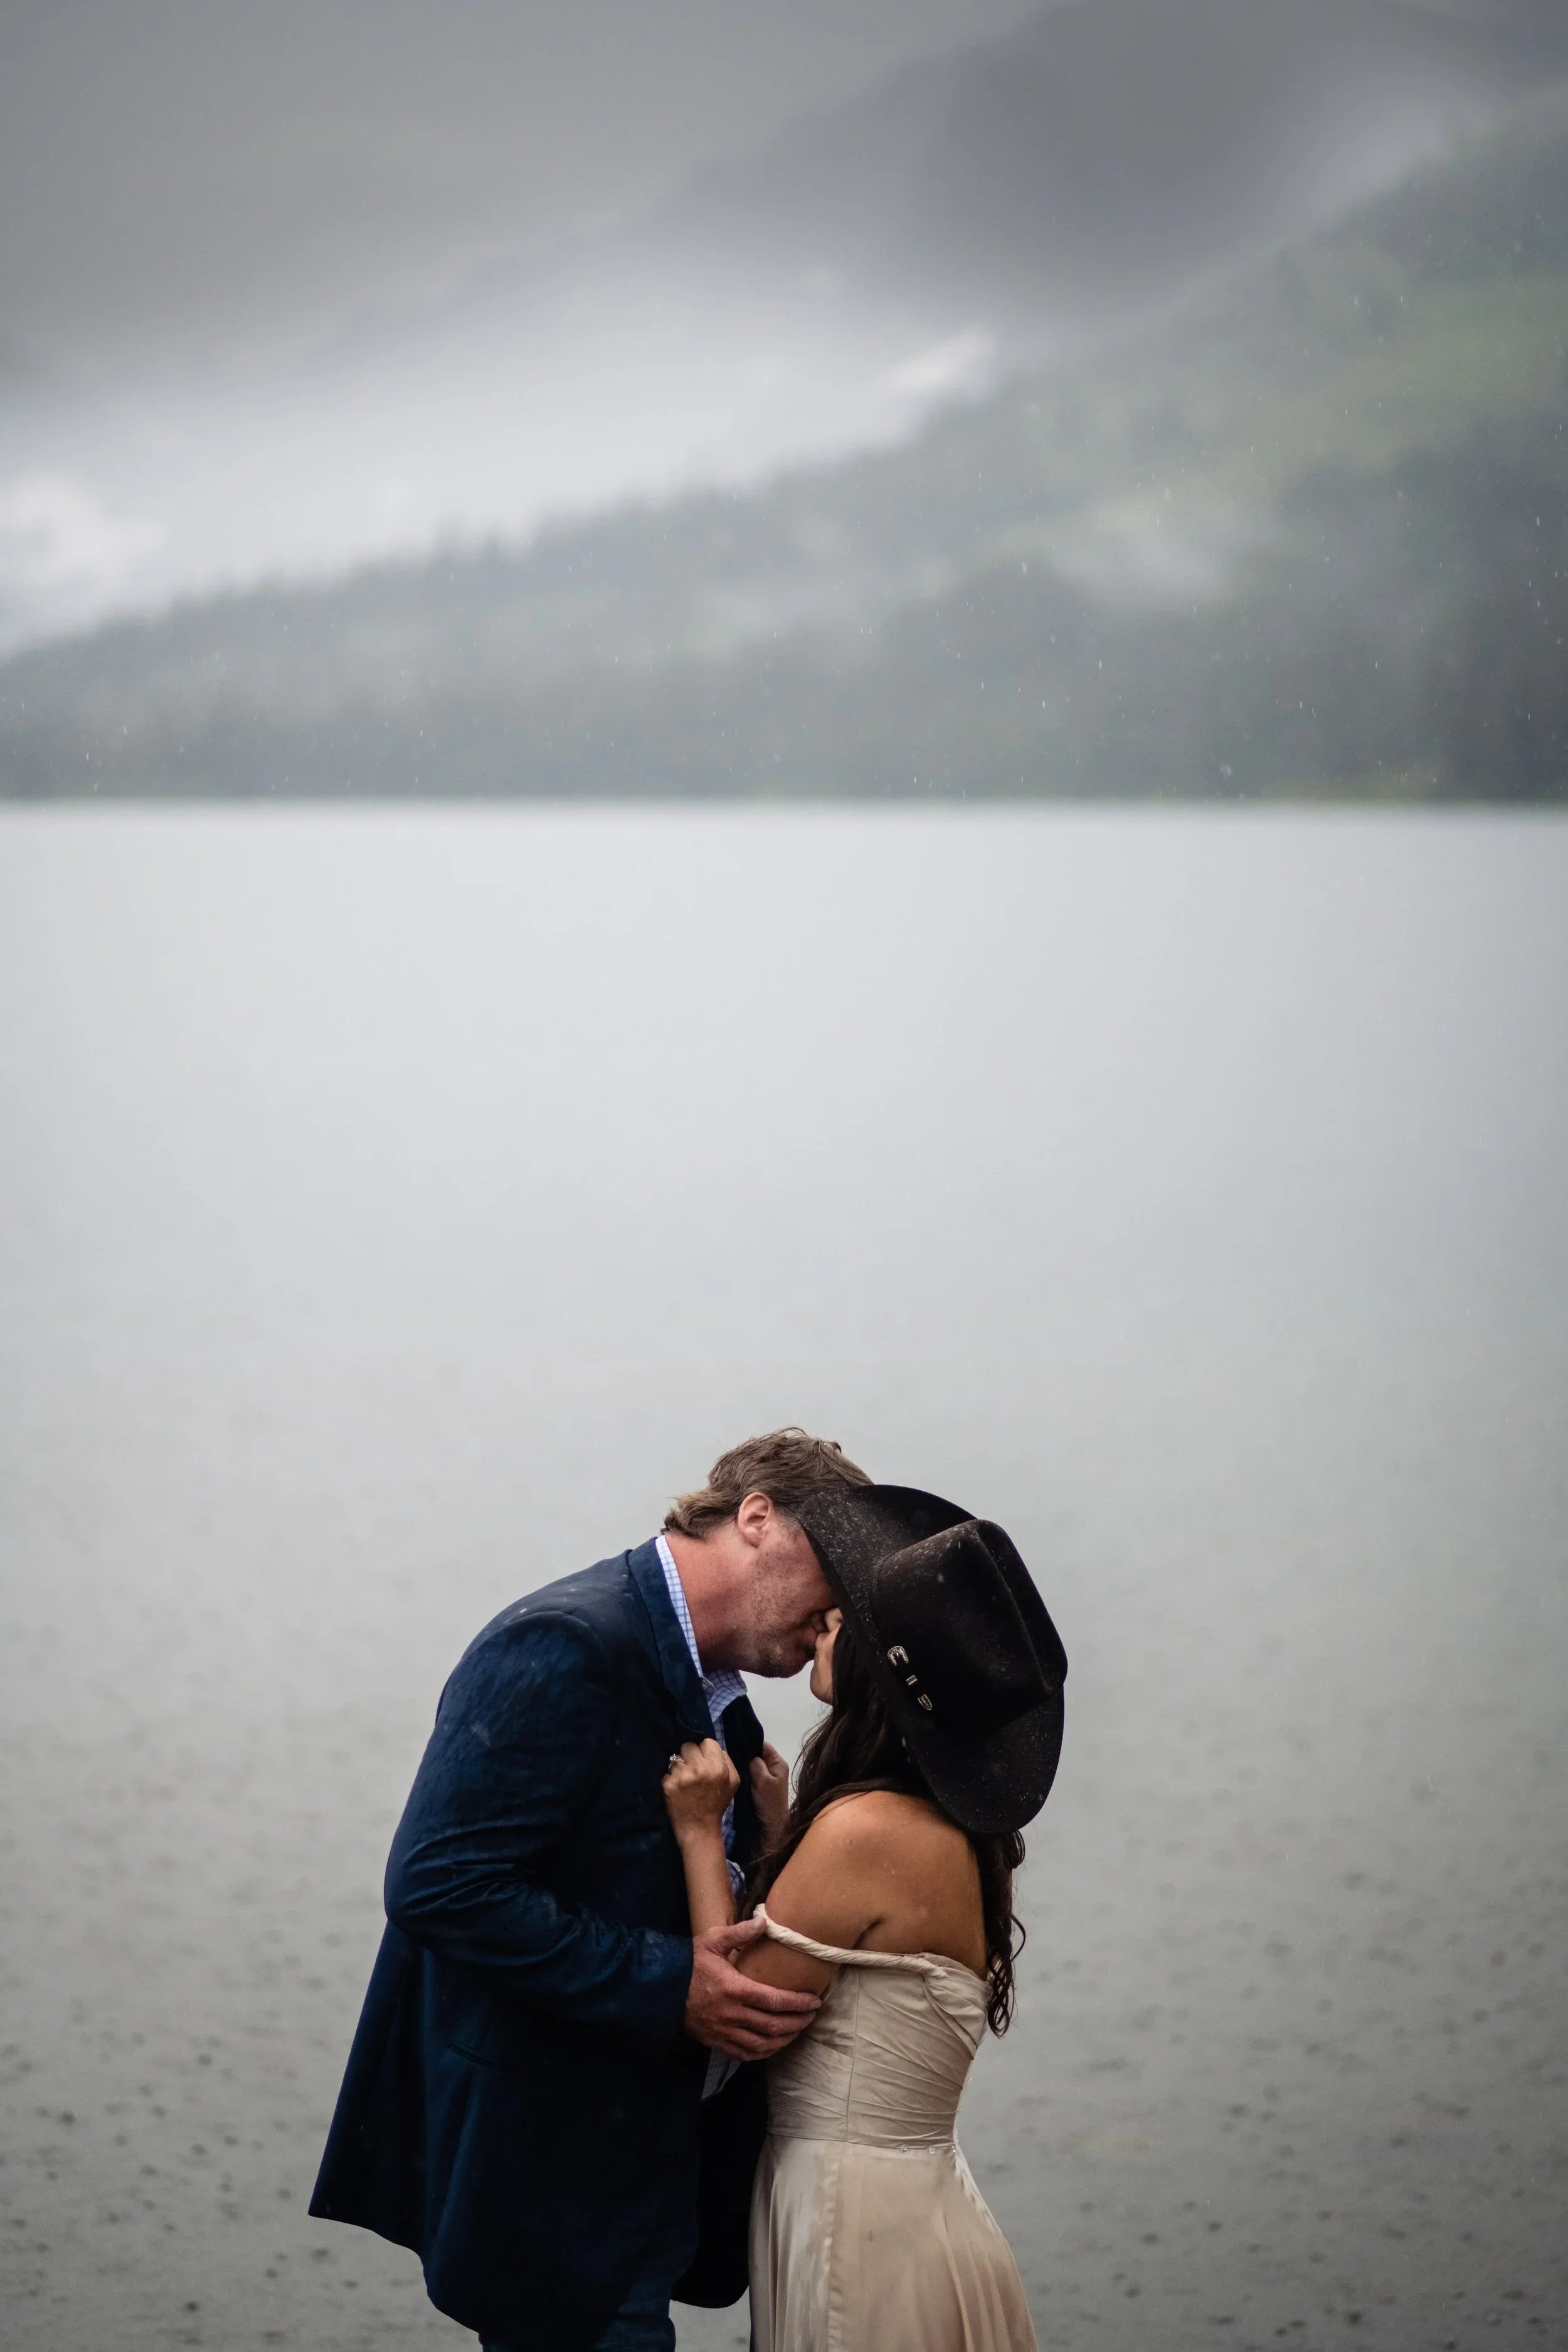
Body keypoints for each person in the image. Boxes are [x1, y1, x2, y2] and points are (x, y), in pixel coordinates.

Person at [309, 1428, 874, 2352]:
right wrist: (671, 1982)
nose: (837, 1614)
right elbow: (437, 1883)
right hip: (553, 2185)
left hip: (638, 2169)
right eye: (836, 1575)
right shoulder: (565, 1641)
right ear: (758, 1518)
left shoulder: (713, 1684)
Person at [662, 1481, 1068, 2352]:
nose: (826, 1619)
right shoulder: (935, 1826)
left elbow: (736, 2008)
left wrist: (700, 1829)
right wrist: (779, 1830)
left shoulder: (867, 1831)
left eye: (847, 1615)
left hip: (860, 2233)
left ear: (885, 1670)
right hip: (911, 2210)